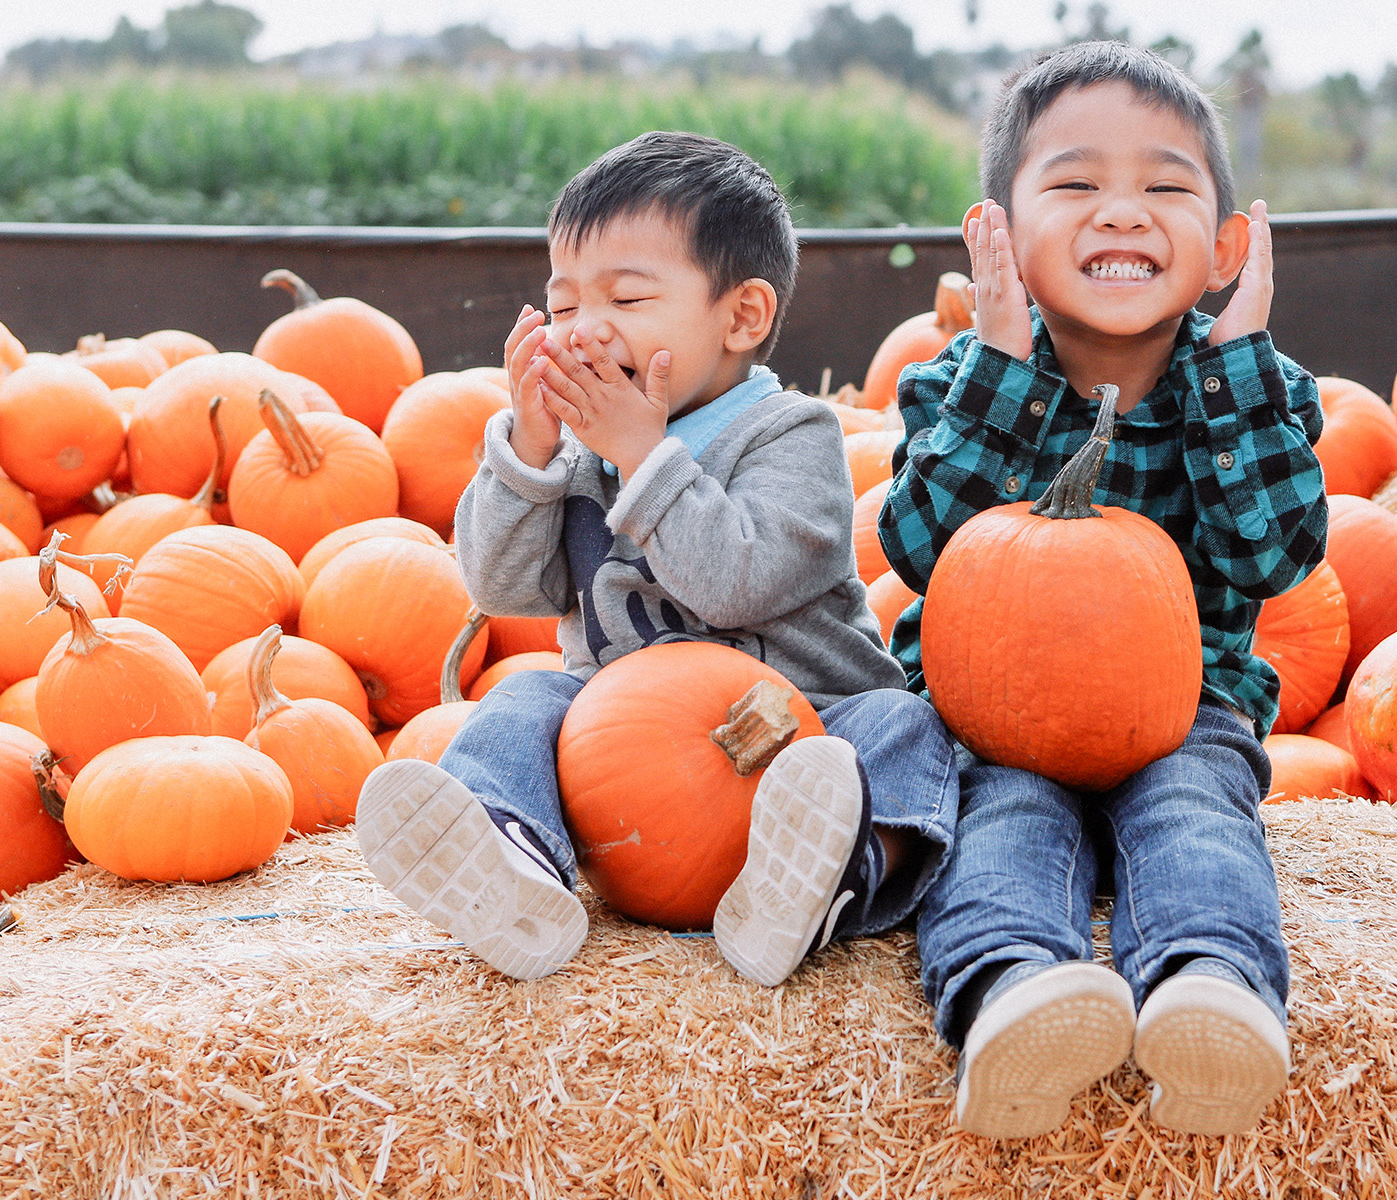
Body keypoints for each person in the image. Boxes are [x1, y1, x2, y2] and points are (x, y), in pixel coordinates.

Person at [355, 132, 955, 989]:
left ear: (742, 317)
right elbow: (500, 587)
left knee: (906, 725)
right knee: (524, 694)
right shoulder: (580, 450)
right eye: (562, 310)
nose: (585, 332)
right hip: (625, 756)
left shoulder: (791, 435)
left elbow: (734, 582)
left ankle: (833, 875)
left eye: (628, 299)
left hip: (805, 732)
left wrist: (642, 454)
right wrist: (527, 452)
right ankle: (514, 863)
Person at [879, 42, 1329, 1139]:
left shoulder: (1257, 391)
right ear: (1000, 231)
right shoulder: (953, 383)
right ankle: (1010, 995)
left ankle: (1212, 992)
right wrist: (1000, 372)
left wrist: (1234, 362)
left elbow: (1275, 557)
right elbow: (919, 544)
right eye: (1076, 185)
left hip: (1182, 710)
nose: (1122, 213)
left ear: (1225, 245)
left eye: (1166, 187)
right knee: (1002, 826)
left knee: (1194, 815)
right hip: (995, 722)